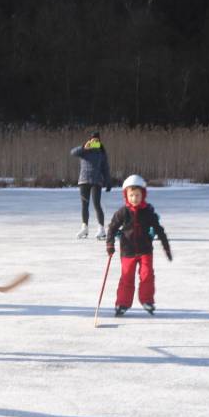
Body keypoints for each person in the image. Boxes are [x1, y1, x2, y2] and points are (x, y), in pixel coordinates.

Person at [105, 174, 172, 316]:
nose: (134, 198)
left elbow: (159, 230)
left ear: (143, 195)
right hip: (127, 251)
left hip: (145, 250)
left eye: (137, 195)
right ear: (126, 196)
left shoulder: (148, 212)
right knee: (126, 277)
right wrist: (110, 245)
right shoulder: (122, 212)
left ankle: (147, 301)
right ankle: (122, 304)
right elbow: (112, 228)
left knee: (147, 275)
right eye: (131, 195)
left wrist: (166, 248)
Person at [70, 131, 111, 240]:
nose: (95, 142)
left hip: (96, 181)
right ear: (90, 140)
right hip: (83, 181)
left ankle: (101, 229)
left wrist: (108, 181)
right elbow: (73, 152)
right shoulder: (84, 151)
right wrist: (84, 147)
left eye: (97, 140)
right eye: (93, 140)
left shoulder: (101, 152)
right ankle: (85, 228)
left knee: (97, 204)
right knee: (85, 205)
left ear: (99, 141)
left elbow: (105, 168)